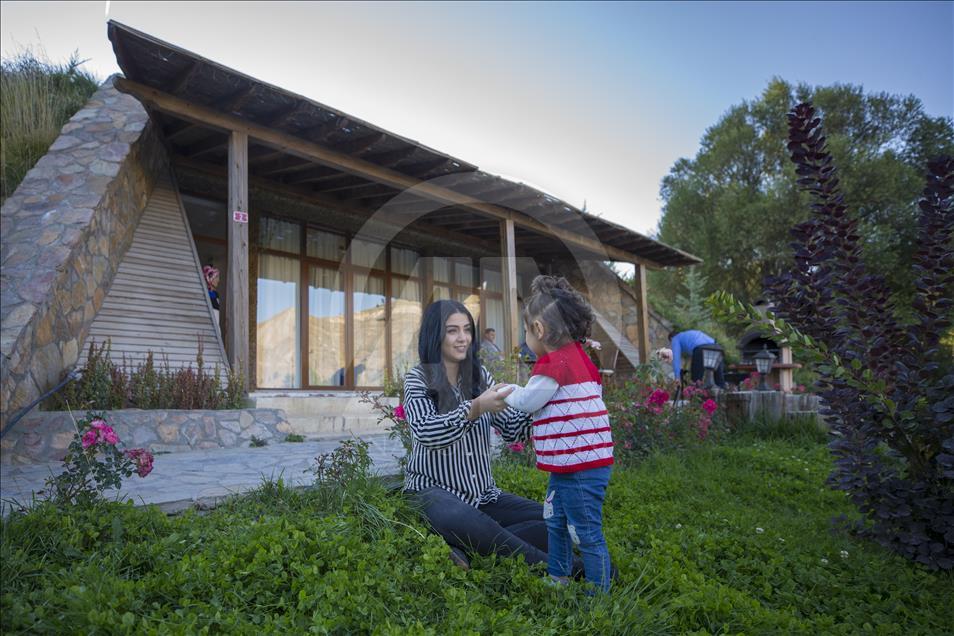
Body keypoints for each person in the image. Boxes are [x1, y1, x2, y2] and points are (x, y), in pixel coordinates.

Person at [402, 299, 583, 574]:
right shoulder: (417, 379)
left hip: (484, 496)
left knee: (555, 518)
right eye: (452, 331)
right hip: (433, 492)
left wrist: (543, 405)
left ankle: (466, 545)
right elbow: (427, 432)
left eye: (467, 329)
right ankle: (565, 568)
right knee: (456, 515)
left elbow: (512, 429)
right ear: (434, 334)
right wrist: (475, 408)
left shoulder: (480, 376)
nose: (463, 338)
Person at [502, 275, 615, 593]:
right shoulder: (580, 358)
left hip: (580, 468)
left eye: (526, 331)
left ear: (538, 329)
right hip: (573, 465)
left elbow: (527, 401)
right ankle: (558, 576)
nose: (525, 338)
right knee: (556, 520)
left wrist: (506, 390)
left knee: (586, 531)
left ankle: (598, 594)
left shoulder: (553, 365)